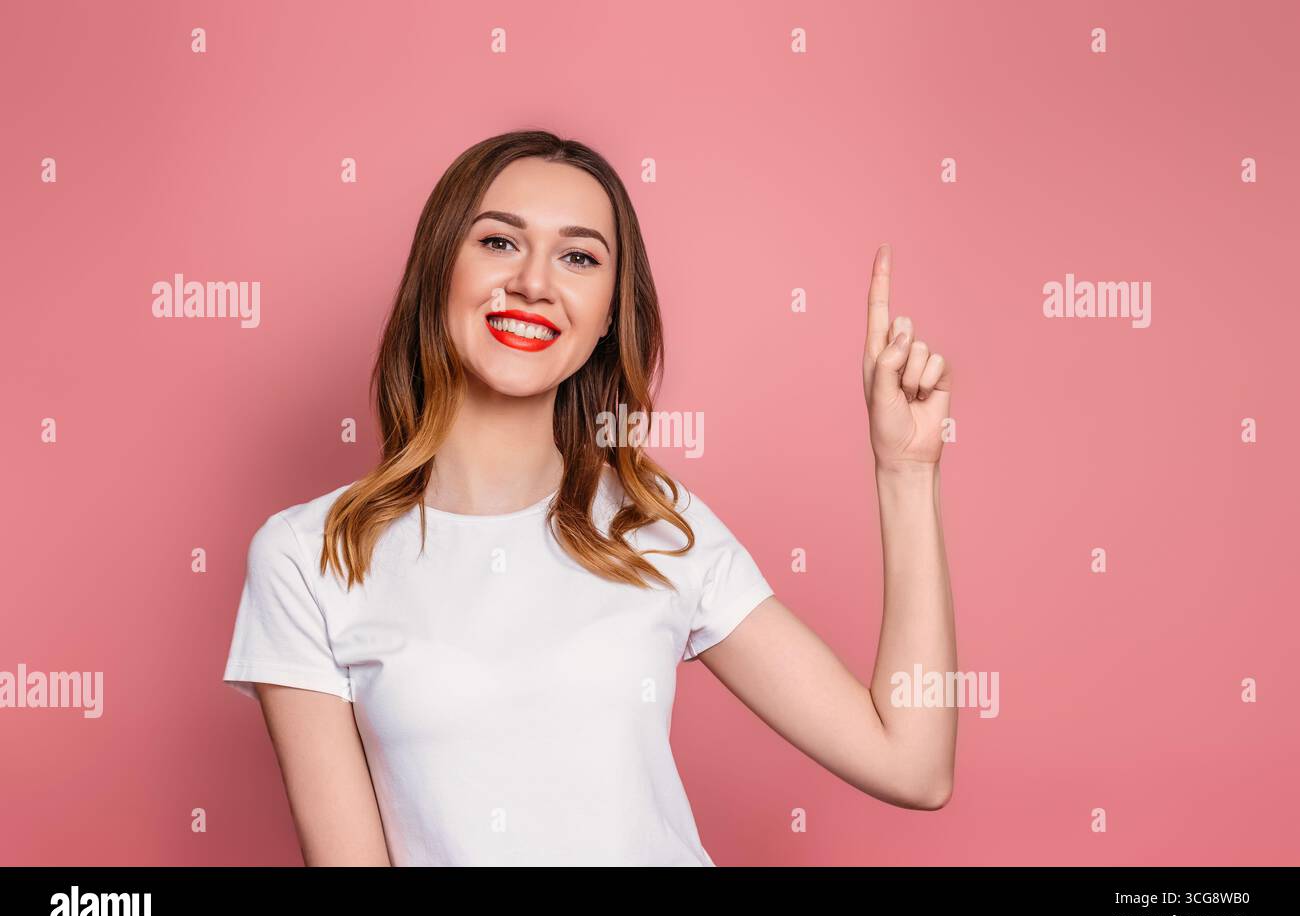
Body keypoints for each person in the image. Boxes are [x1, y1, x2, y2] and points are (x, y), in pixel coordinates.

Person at [222, 129, 957, 866]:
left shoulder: (655, 522)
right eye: (500, 243)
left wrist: (907, 473)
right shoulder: (307, 555)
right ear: (437, 269)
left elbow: (911, 764)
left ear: (608, 314)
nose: (535, 282)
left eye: (578, 256)